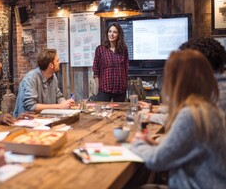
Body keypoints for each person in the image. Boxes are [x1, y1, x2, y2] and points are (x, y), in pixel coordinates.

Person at [131, 50, 226, 188]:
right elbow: (189, 146)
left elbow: (156, 161)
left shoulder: (190, 115)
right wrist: (159, 144)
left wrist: (136, 143)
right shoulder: (208, 109)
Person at [140, 37, 226, 125]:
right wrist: (157, 109)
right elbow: (185, 109)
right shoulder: (212, 84)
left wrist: (149, 116)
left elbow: (183, 120)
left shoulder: (218, 93)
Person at [13, 48, 74, 117]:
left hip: (43, 119)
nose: (59, 62)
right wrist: (60, 106)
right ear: (51, 65)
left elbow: (58, 96)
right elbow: (31, 106)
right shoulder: (31, 78)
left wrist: (65, 103)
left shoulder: (53, 77)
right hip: (26, 122)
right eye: (57, 61)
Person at [92, 23, 129, 102]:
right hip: (104, 90)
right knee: (103, 114)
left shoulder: (123, 49)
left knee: (120, 113)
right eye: (110, 31)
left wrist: (125, 85)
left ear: (119, 35)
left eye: (115, 32)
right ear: (107, 33)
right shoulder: (100, 49)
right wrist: (98, 88)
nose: (111, 34)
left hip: (120, 91)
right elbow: (96, 70)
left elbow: (126, 69)